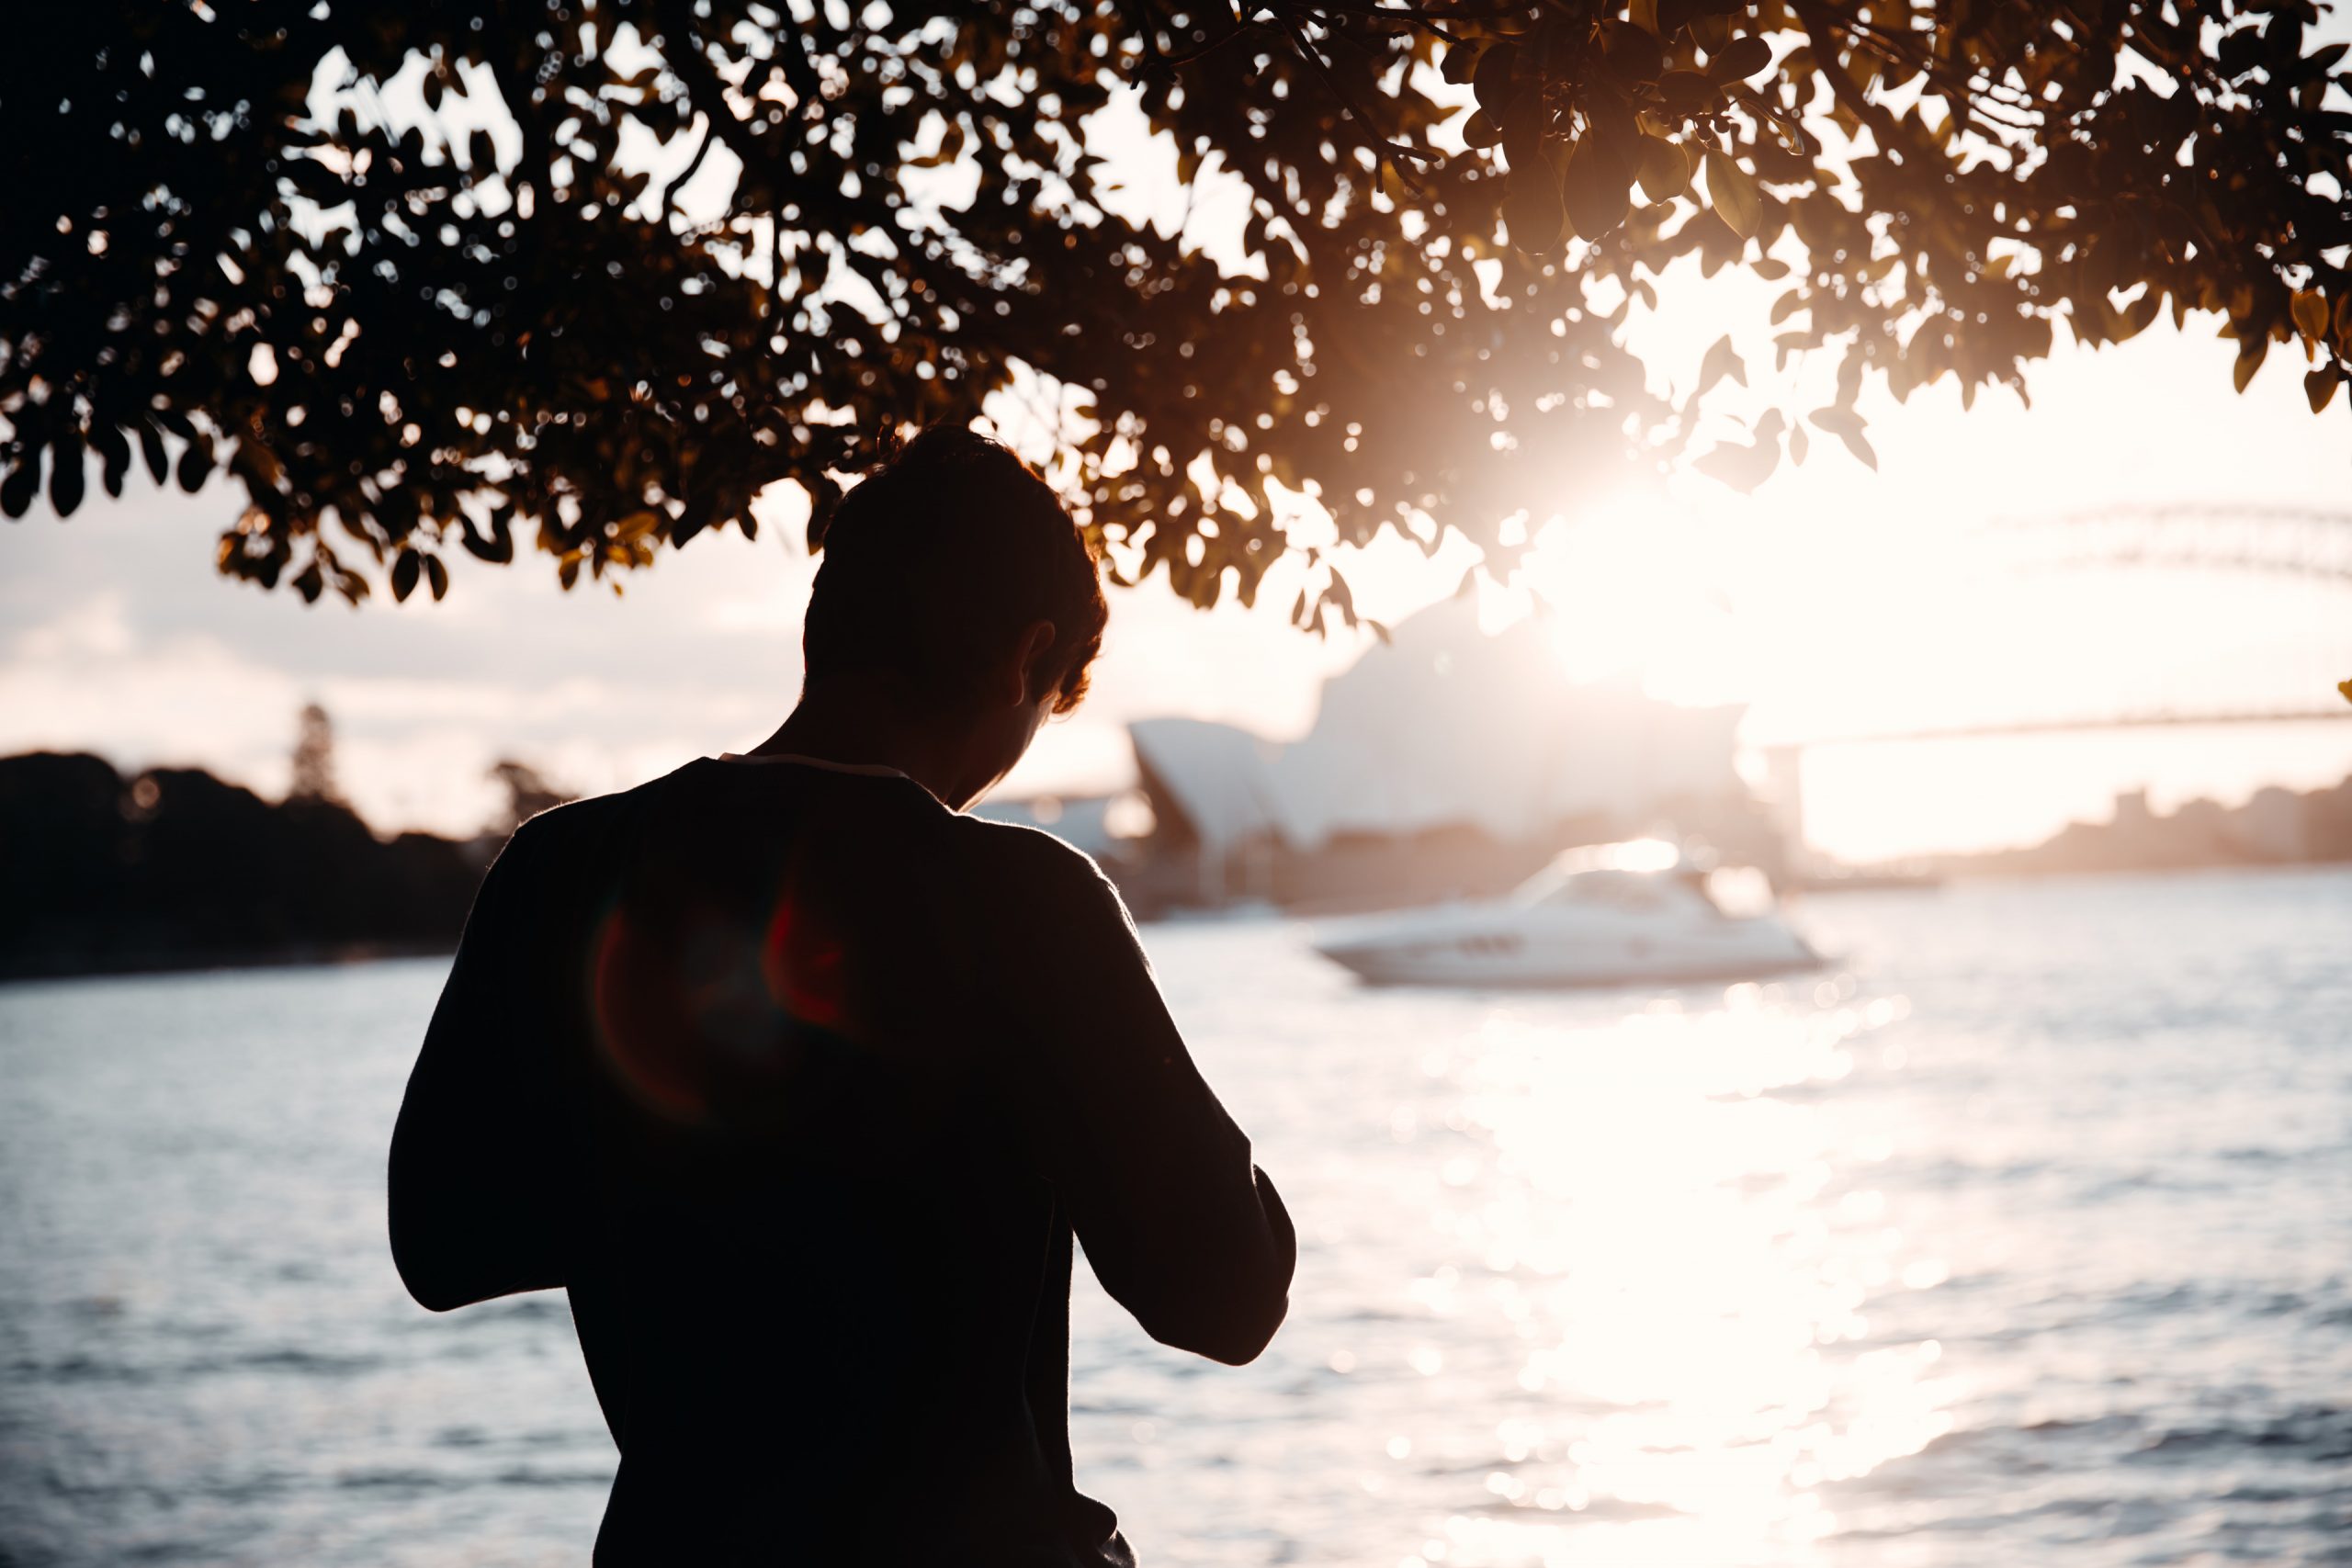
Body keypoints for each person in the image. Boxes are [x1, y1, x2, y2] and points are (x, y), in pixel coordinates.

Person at [387, 425, 1295, 1565]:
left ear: (826, 624)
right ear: (1025, 660)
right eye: (1041, 705)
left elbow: (444, 1244)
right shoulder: (1019, 900)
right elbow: (1225, 1296)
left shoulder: (560, 871)